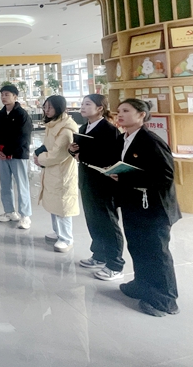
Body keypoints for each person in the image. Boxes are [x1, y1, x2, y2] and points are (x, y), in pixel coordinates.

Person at [112, 99, 181, 317]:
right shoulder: (125, 138)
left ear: (142, 115)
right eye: (119, 111)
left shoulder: (151, 141)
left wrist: (126, 177)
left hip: (154, 208)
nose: (120, 114)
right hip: (134, 205)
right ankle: (141, 284)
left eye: (126, 111)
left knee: (156, 252)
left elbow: (166, 176)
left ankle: (165, 299)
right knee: (138, 246)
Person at [68, 94, 124, 280]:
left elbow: (111, 157)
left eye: (87, 104)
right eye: (82, 104)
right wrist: (73, 150)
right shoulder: (84, 128)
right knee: (93, 220)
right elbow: (79, 152)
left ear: (100, 108)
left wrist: (83, 155)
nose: (82, 107)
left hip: (103, 183)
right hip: (87, 180)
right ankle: (99, 255)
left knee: (108, 222)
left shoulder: (109, 130)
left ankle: (115, 264)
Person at [34, 95, 79, 253]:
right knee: (53, 202)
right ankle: (57, 231)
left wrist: (40, 159)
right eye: (45, 107)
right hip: (51, 170)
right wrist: (38, 155)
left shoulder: (66, 128)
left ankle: (66, 238)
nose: (46, 110)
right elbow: (48, 146)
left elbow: (57, 154)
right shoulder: (53, 124)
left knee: (63, 206)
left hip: (62, 171)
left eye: (50, 107)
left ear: (59, 108)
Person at [0, 84, 33, 229]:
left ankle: (25, 215)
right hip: (2, 155)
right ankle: (9, 211)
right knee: (5, 184)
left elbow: (23, 137)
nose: (3, 97)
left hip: (17, 155)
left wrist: (8, 151)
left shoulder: (22, 114)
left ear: (15, 96)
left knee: (22, 184)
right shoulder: (0, 114)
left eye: (7, 94)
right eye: (2, 94)